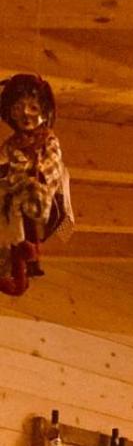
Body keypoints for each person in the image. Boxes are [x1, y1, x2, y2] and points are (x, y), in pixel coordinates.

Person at [0, 73, 73, 297]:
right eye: (18, 108)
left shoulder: (47, 139)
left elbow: (51, 166)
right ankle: (10, 257)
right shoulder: (12, 144)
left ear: (44, 110)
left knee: (26, 208)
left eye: (32, 107)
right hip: (15, 194)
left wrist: (26, 172)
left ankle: (21, 254)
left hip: (37, 194)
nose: (25, 114)